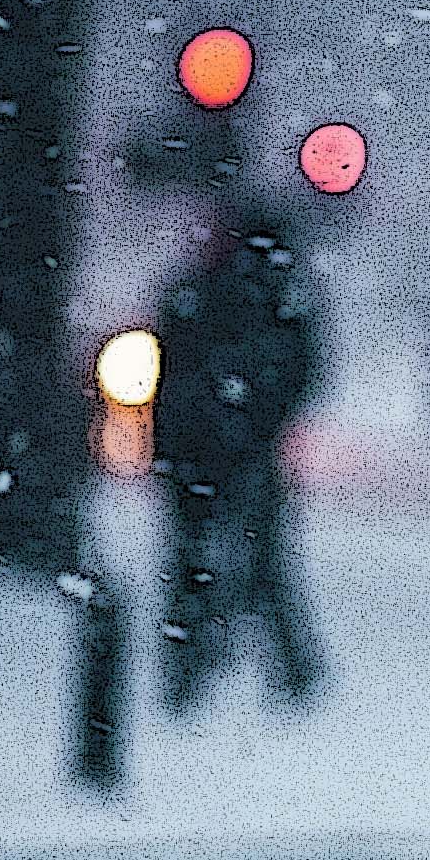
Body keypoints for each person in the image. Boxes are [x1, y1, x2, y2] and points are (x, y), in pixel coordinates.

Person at [153, 197, 327, 713]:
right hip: (223, 449)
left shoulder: (212, 294)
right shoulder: (261, 296)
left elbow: (177, 371)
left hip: (215, 450)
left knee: (215, 561)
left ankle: (195, 670)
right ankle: (276, 672)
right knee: (249, 560)